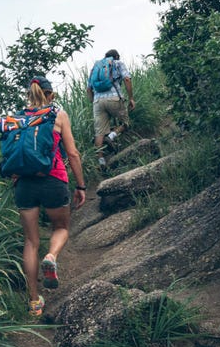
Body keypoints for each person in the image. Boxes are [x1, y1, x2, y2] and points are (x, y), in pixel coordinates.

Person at [15, 76, 86, 316]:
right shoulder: (58, 115)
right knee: (61, 228)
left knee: (30, 242)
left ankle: (34, 301)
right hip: (53, 179)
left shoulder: (17, 118)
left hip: (24, 184)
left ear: (29, 95)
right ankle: (51, 256)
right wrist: (82, 186)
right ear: (51, 95)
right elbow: (73, 153)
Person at [86, 49, 135, 168]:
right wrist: (131, 98)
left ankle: (101, 162)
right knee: (126, 122)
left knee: (99, 132)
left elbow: (88, 89)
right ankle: (111, 136)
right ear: (116, 56)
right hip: (113, 98)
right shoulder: (117, 63)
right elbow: (127, 79)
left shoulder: (95, 67)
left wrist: (94, 102)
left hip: (97, 101)